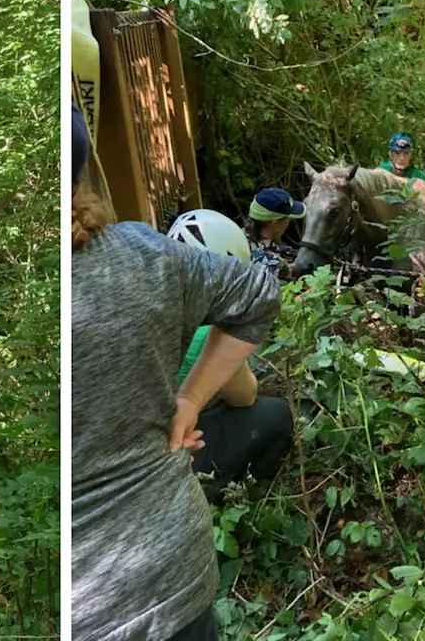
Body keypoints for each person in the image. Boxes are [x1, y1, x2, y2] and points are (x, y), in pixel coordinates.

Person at [72, 103, 280, 641]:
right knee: (273, 415)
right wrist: (187, 402)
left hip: (93, 600)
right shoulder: (148, 260)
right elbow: (246, 385)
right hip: (169, 567)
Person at [166, 209, 294, 504]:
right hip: (176, 452)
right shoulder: (211, 332)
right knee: (277, 414)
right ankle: (235, 496)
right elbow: (244, 396)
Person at [247, 187, 304, 279]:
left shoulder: (238, 235)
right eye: (288, 218)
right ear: (275, 223)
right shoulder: (273, 264)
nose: (289, 222)